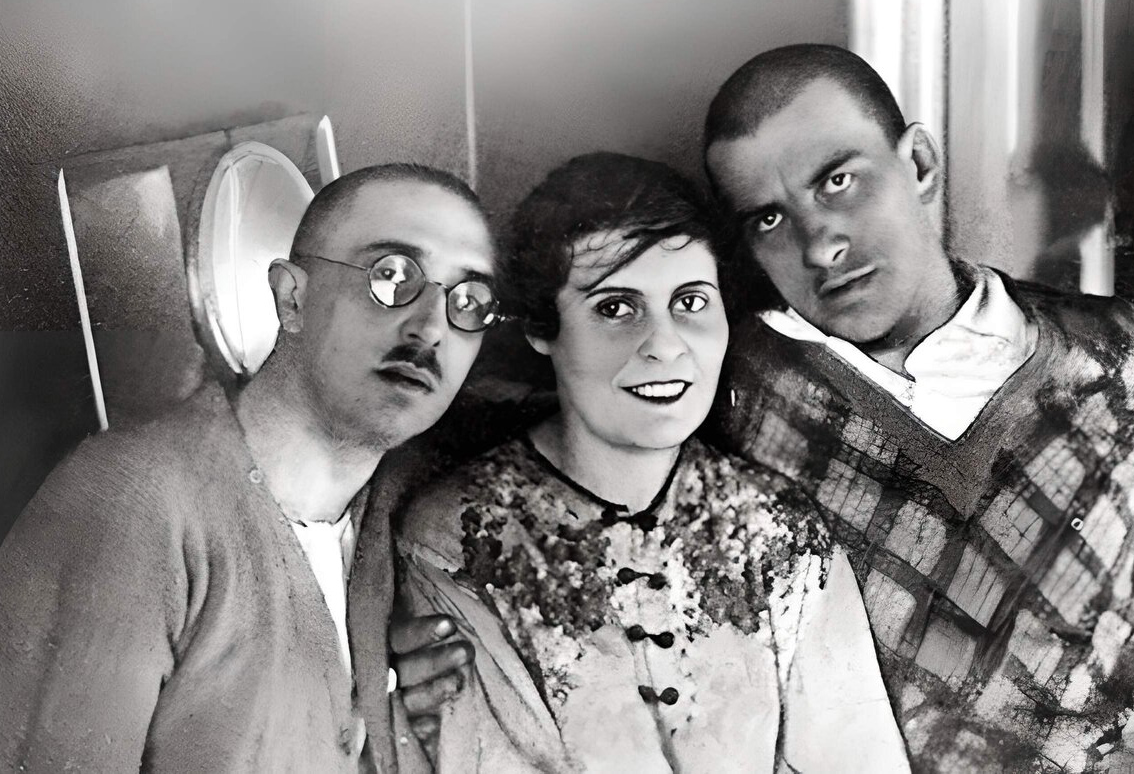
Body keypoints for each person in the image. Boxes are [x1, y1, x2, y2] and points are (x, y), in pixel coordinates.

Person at [702, 43, 1134, 772]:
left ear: (920, 165)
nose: (819, 245)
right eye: (769, 219)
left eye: (838, 181)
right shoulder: (730, 389)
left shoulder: (1123, 353)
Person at [397, 152, 909, 773]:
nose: (664, 345)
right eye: (616, 308)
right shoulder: (457, 538)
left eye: (691, 302)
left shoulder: (778, 530)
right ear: (541, 328)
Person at [0, 164, 501, 772]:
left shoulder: (393, 515)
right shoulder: (133, 502)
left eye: (469, 302)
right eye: (391, 276)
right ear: (293, 298)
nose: (431, 328)